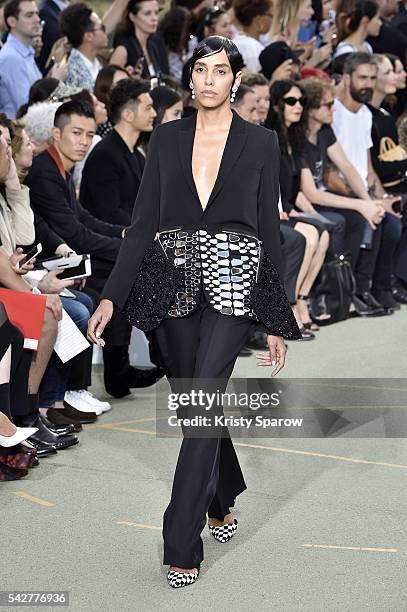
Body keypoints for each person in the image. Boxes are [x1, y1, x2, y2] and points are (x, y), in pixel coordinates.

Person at [87, 35, 300, 588]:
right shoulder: (167, 139)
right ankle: (222, 496)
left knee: (202, 397)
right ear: (191, 79)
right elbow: (143, 221)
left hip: (236, 277)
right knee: (195, 404)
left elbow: (269, 232)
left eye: (220, 71)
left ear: (235, 80)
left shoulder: (260, 143)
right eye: (201, 70)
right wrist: (111, 294)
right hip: (172, 275)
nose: (209, 80)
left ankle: (180, 544)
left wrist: (278, 316)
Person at [25, 99, 163, 398]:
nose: (84, 142)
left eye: (89, 135)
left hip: (65, 256)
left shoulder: (59, 166)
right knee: (107, 284)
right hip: (47, 263)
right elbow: (74, 232)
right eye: (76, 133)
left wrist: (125, 235)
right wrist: (127, 248)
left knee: (117, 277)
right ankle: (78, 388)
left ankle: (118, 369)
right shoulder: (44, 170)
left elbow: (82, 219)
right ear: (56, 134)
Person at [0, 0, 42, 119]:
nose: (37, 19)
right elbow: (26, 109)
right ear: (12, 21)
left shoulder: (25, 52)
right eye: (29, 15)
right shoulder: (11, 57)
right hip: (18, 134)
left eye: (37, 14)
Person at [110, 0, 169, 78]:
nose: (154, 18)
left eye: (156, 13)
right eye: (147, 13)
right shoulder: (123, 49)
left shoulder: (155, 44)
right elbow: (109, 82)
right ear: (132, 17)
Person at [59, 2, 108, 90]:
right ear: (88, 36)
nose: (105, 33)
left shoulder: (97, 63)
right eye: (102, 28)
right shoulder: (72, 71)